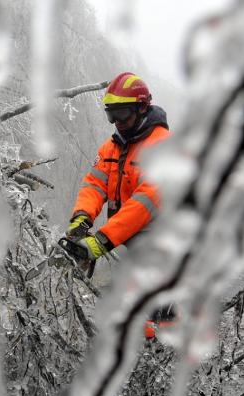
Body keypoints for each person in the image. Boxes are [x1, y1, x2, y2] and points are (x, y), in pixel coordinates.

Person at [66, 72, 170, 260]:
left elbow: (145, 202)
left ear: (142, 107)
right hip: (134, 245)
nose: (117, 122)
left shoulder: (162, 146)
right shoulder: (112, 147)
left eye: (121, 113)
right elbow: (95, 185)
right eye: (111, 115)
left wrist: (102, 241)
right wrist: (82, 217)